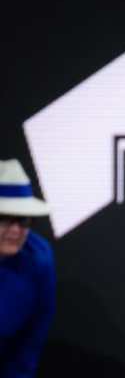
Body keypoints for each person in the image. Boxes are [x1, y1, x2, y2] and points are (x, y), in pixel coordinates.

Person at [0, 159, 55, 377]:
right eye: (3, 218)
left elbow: (29, 347)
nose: (16, 230)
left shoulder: (38, 259)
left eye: (22, 220)